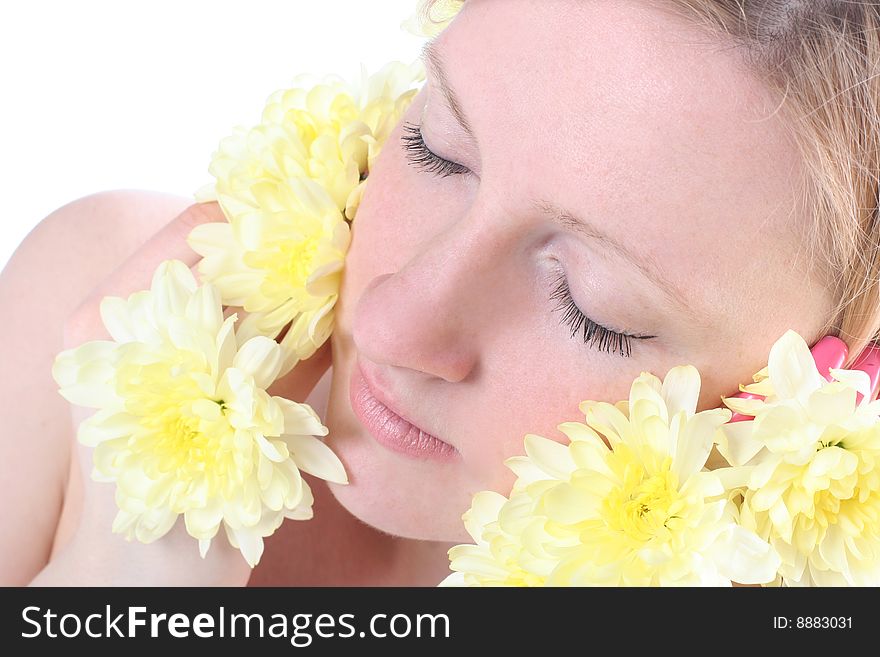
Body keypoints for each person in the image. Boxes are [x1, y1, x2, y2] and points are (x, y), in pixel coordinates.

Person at [2, 0, 879, 586]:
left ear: (801, 418)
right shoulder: (92, 309)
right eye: (438, 147)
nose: (391, 322)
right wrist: (124, 574)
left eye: (591, 306)